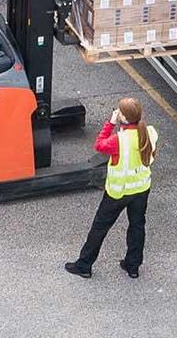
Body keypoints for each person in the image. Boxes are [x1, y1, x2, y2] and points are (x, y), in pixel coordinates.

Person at [66, 98, 159, 279]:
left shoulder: (119, 140)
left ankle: (84, 265)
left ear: (123, 117)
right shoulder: (149, 132)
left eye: (119, 110)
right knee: (137, 227)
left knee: (99, 228)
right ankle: (133, 266)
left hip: (118, 192)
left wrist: (110, 123)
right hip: (141, 189)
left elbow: (99, 145)